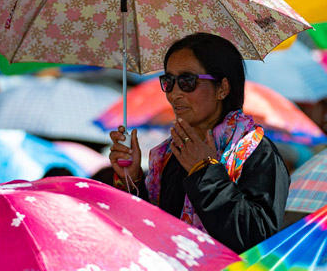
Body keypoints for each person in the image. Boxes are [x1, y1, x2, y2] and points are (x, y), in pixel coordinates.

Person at [108, 32, 290, 253]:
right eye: (169, 82)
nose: (174, 94)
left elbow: (256, 239)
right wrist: (132, 177)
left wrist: (205, 172)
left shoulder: (257, 152)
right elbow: (151, 227)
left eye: (187, 81)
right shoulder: (170, 153)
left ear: (222, 88)